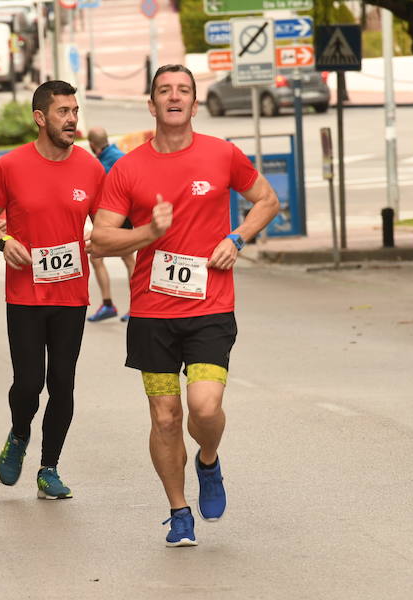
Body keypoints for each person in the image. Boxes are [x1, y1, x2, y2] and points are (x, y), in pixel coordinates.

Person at [91, 65, 279, 546]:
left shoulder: (221, 154)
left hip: (210, 306)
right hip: (152, 313)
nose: (174, 97)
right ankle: (179, 512)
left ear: (195, 104)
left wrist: (237, 238)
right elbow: (102, 238)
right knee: (165, 417)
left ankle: (209, 461)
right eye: (164, 91)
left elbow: (266, 199)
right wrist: (149, 233)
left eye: (183, 91)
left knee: (204, 405)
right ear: (150, 105)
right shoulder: (128, 168)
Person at [0, 80, 104, 500]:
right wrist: (3, 242)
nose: (71, 119)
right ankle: (19, 433)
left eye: (75, 111)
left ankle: (49, 467)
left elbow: (108, 223)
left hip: (72, 295)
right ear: (40, 117)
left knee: (62, 382)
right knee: (29, 382)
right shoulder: (10, 166)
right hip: (25, 295)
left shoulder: (90, 167)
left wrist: (108, 237)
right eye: (63, 111)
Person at [86, 126, 135, 322]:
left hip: (119, 217)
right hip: (126, 216)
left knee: (98, 257)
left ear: (92, 145)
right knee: (126, 258)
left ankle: (112, 305)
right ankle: (119, 306)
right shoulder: (119, 155)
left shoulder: (105, 164)